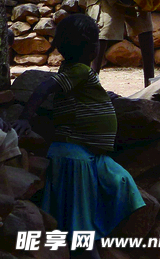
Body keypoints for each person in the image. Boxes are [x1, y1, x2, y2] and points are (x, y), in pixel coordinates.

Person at [13, 15, 145, 257]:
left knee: (119, 183)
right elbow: (45, 87)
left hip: (83, 153)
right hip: (76, 155)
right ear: (91, 48)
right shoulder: (78, 71)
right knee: (81, 224)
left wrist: (106, 98)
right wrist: (25, 117)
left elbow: (81, 94)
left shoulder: (75, 71)